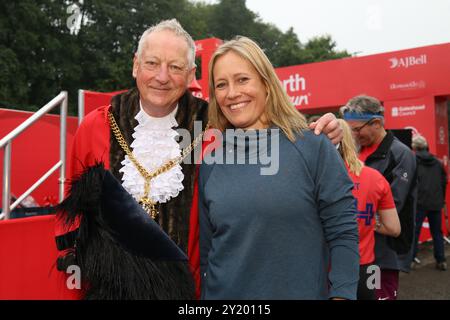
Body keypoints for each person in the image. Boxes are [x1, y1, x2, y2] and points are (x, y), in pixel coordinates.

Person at [55, 19, 343, 299]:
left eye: (175, 67)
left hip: (188, 292)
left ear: (191, 74)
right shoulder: (97, 125)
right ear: (135, 65)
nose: (162, 76)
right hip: (109, 289)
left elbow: (273, 139)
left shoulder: (216, 126)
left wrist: (323, 133)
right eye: (152, 63)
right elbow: (74, 211)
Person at [199, 36, 359, 300]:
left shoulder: (313, 146)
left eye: (242, 79)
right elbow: (208, 252)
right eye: (221, 85)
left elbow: (343, 232)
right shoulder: (210, 161)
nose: (232, 93)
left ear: (266, 83)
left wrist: (341, 295)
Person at [341, 95, 417, 300]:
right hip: (358, 252)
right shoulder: (355, 152)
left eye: (357, 129)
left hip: (385, 253)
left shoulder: (401, 154)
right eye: (350, 130)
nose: (354, 135)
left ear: (376, 123)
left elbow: (394, 204)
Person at [337, 119, 400, 300]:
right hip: (366, 268)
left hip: (326, 270)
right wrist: (369, 222)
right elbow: (394, 228)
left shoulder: (315, 177)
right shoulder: (375, 177)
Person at [411, 135, 447, 271]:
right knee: (437, 232)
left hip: (419, 202)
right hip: (436, 203)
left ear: (414, 147)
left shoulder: (413, 161)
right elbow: (443, 182)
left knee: (414, 232)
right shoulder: (438, 162)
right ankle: (441, 260)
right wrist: (441, 199)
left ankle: (411, 260)